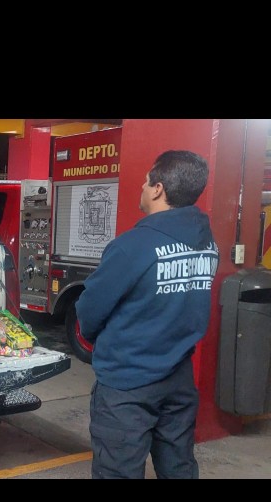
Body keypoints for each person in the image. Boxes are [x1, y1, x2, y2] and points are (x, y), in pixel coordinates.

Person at [76, 150, 218, 479]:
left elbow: (89, 311)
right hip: (179, 378)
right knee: (179, 467)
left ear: (158, 189)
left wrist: (103, 341)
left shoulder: (133, 246)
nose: (141, 187)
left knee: (117, 471)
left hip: (127, 381)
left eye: (145, 181)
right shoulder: (209, 244)